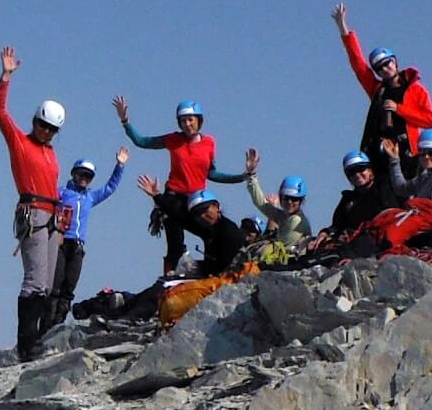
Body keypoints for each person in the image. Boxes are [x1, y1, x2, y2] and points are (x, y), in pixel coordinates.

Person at [115, 95, 250, 276]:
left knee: (212, 234)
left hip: (198, 201)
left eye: (190, 120)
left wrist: (241, 177)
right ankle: (169, 279)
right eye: (183, 121)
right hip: (174, 196)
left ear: (199, 121)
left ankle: (213, 269)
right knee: (175, 242)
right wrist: (125, 121)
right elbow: (142, 141)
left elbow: (211, 173)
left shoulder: (209, 143)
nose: (187, 124)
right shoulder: (173, 140)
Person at [0, 46, 67, 361]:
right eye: (42, 125)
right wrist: (6, 77)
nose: (46, 131)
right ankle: (26, 345)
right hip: (33, 213)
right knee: (35, 281)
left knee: (48, 284)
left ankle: (36, 339)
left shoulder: (50, 152)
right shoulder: (21, 144)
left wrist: (61, 218)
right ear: (35, 121)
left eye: (51, 129)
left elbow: (53, 185)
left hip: (51, 215)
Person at [331, 3, 432, 164]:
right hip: (382, 154)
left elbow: (429, 121)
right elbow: (358, 65)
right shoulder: (378, 90)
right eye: (379, 68)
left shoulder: (416, 90)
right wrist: (343, 28)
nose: (385, 69)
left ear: (395, 62)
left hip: (411, 154)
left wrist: (398, 109)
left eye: (387, 63)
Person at [51, 147, 128, 330]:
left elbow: (110, 188)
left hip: (77, 247)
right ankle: (45, 327)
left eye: (89, 176)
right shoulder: (61, 193)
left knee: (69, 288)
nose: (85, 178)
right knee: (54, 287)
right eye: (82, 174)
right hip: (60, 243)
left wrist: (120, 165)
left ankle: (57, 327)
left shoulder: (90, 197)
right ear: (74, 174)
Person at [135, 173, 247, 275]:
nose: (202, 216)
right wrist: (156, 195)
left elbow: (223, 266)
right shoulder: (207, 229)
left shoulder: (228, 231)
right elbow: (178, 216)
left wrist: (195, 268)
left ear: (216, 206)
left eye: (205, 209)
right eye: (197, 214)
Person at [239, 149, 313, 260]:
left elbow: (282, 246)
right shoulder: (284, 216)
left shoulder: (297, 221)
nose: (289, 202)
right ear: (281, 197)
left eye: (294, 199)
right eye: (286, 198)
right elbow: (261, 203)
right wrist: (251, 174)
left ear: (301, 201)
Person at [319, 150, 403, 247]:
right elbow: (337, 225)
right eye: (352, 172)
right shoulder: (348, 200)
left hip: (386, 241)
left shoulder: (385, 187)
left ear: (370, 170)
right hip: (358, 247)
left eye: (361, 168)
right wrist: (325, 232)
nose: (357, 175)